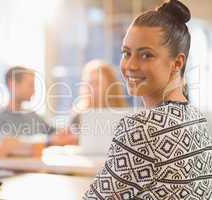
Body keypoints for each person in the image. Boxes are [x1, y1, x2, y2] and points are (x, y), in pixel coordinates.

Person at [83, 0, 212, 199]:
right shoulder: (199, 120)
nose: (130, 65)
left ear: (177, 63)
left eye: (146, 55)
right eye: (126, 53)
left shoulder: (142, 128)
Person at [0, 66, 77, 146]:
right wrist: (48, 141)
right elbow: (10, 144)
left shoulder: (32, 115)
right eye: (31, 85)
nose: (34, 91)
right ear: (12, 84)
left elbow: (53, 133)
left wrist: (64, 132)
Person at [70, 59, 127, 133]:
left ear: (110, 86)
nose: (91, 88)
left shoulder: (121, 115)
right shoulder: (78, 115)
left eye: (97, 83)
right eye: (89, 83)